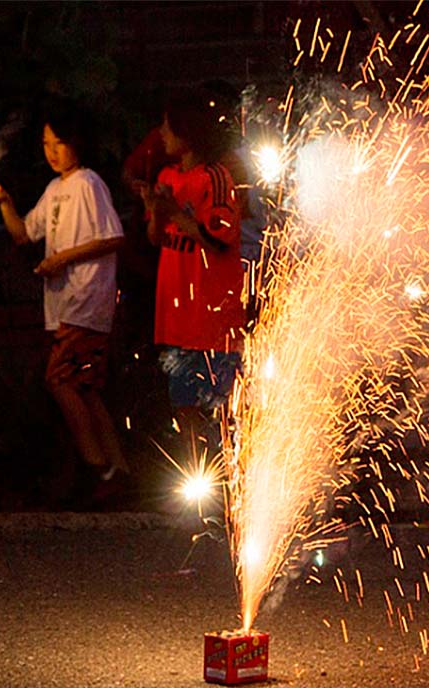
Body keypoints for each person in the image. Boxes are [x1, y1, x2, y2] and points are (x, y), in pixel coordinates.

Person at [0, 105, 131, 504]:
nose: (52, 152)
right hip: (65, 302)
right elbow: (24, 235)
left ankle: (96, 465)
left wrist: (63, 259)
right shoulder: (55, 189)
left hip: (85, 299)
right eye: (46, 144)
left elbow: (113, 237)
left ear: (77, 143)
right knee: (84, 385)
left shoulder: (88, 183)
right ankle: (116, 469)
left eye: (59, 143)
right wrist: (5, 202)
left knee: (61, 380)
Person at [140, 91, 247, 459]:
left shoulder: (215, 178)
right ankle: (195, 474)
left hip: (211, 319)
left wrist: (175, 212)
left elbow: (219, 237)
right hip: (176, 320)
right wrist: (156, 210)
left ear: (188, 133)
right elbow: (155, 238)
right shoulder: (167, 176)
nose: (162, 134)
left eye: (168, 127)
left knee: (218, 409)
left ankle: (225, 477)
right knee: (182, 404)